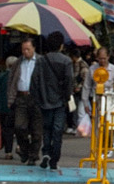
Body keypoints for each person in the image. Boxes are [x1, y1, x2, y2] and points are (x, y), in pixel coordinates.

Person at [35, 36, 75, 173]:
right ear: (61, 46)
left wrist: (37, 98)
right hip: (59, 102)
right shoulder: (66, 61)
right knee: (57, 130)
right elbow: (69, 81)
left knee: (46, 128)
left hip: (44, 101)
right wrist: (67, 96)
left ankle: (46, 152)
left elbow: (34, 81)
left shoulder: (41, 61)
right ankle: (54, 159)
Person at [12, 43, 42, 164]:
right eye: (23, 49)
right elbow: (12, 79)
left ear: (34, 48)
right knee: (19, 126)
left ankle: (33, 155)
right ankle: (24, 150)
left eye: (28, 49)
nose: (25, 52)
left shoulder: (40, 61)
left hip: (36, 98)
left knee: (37, 130)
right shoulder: (18, 62)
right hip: (21, 97)